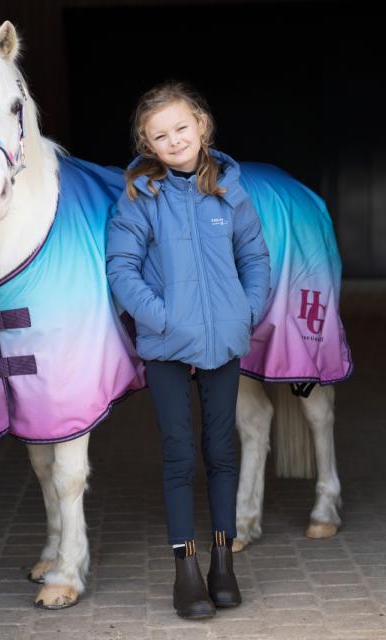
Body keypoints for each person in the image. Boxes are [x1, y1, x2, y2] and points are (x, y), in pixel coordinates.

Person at [106, 82, 270, 619]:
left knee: (221, 452)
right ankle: (187, 572)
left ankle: (224, 564)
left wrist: (243, 311)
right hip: (167, 349)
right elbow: (121, 270)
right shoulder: (139, 198)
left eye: (181, 128)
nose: (174, 140)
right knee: (179, 455)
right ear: (148, 145)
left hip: (223, 341)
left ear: (202, 126)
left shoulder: (230, 191)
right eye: (160, 135)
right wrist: (165, 319)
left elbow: (255, 257)